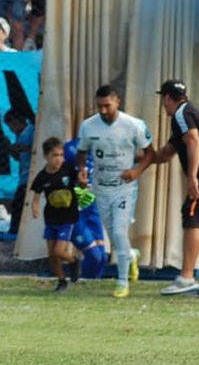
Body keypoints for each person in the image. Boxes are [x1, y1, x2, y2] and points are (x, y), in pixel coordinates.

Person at [133, 80, 199, 298]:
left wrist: (193, 177)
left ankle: (186, 277)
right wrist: (135, 157)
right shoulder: (186, 116)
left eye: (163, 99)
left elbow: (194, 142)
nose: (162, 104)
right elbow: (164, 155)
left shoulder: (182, 114)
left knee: (193, 217)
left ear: (168, 98)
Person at [75, 85, 154, 298]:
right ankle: (130, 255)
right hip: (101, 187)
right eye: (99, 106)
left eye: (107, 106)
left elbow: (150, 154)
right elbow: (81, 153)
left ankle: (122, 282)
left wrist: (136, 171)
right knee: (114, 236)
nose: (102, 110)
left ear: (117, 102)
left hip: (124, 187)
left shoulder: (134, 125)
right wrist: (81, 171)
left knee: (119, 232)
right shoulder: (88, 126)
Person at [30, 136, 79, 292]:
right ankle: (61, 281)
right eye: (54, 155)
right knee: (52, 254)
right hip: (51, 218)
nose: (59, 159)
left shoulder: (68, 169)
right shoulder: (42, 176)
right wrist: (35, 207)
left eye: (61, 155)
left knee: (59, 251)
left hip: (67, 218)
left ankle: (73, 261)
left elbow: (81, 182)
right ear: (46, 156)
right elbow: (36, 195)